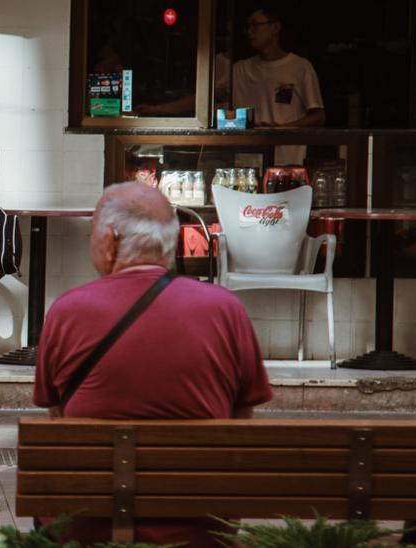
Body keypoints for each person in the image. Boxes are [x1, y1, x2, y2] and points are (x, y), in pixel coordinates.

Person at [32, 182, 273, 545]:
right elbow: (240, 421)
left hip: (90, 528)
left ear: (110, 239)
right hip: (198, 531)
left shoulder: (68, 311)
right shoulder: (226, 310)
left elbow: (59, 416)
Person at [231, 7, 325, 164]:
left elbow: (318, 116)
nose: (249, 32)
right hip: (248, 161)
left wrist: (280, 129)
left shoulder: (300, 67)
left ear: (275, 28)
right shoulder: (239, 69)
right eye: (248, 26)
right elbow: (205, 97)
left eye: (255, 25)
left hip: (287, 159)